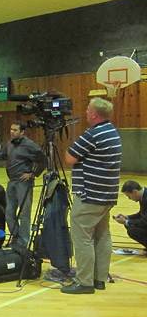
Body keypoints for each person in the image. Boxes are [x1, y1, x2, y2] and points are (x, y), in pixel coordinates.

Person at [62, 98, 121, 294]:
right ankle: (99, 278)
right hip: (107, 193)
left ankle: (84, 282)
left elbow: (70, 157)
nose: (86, 112)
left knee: (83, 237)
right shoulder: (112, 132)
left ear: (94, 114)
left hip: (90, 194)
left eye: (88, 110)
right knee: (102, 235)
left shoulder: (93, 134)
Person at [0, 121, 46, 247]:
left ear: (22, 132)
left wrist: (33, 173)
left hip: (23, 183)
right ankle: (15, 237)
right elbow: (3, 156)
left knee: (24, 213)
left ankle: (23, 241)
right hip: (12, 182)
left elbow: (43, 160)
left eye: (15, 130)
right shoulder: (10, 143)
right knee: (9, 212)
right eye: (11, 129)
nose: (12, 132)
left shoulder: (29, 145)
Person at [114, 180, 147, 249]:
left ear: (135, 191)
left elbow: (145, 222)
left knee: (132, 230)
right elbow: (141, 214)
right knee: (129, 225)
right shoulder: (144, 196)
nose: (129, 199)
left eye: (129, 196)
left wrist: (126, 221)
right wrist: (127, 217)